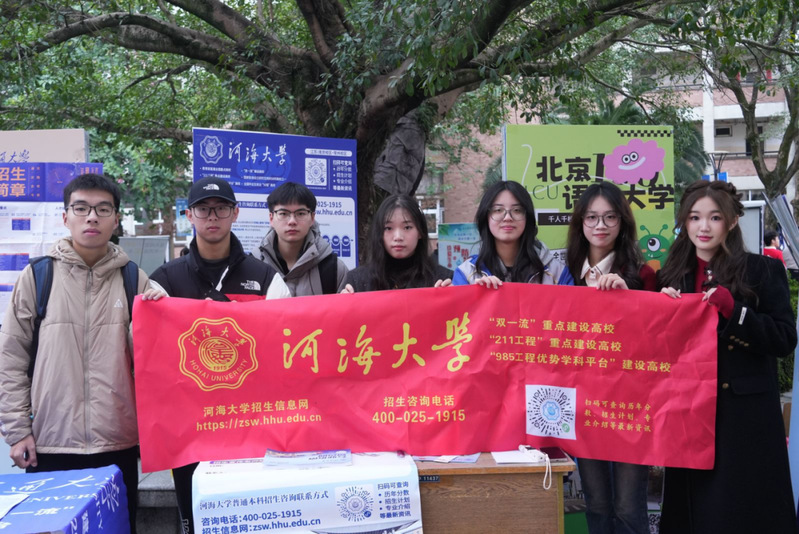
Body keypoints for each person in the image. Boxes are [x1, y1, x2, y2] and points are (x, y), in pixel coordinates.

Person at [0, 173, 165, 533]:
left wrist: (159, 315)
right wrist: (18, 430)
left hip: (117, 441)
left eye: (103, 209)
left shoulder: (134, 279)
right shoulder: (37, 277)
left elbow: (154, 362)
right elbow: (10, 359)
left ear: (116, 219)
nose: (92, 217)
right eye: (81, 208)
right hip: (50, 441)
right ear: (65, 217)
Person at [149, 176, 289, 534]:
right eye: (203, 209)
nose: (212, 216)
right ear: (189, 215)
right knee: (195, 521)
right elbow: (149, 355)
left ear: (235, 213)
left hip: (251, 425)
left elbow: (285, 348)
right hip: (189, 429)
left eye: (222, 208)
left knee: (254, 520)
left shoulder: (266, 279)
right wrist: (150, 314)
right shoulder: (164, 282)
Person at [657, 180, 797, 534]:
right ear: (684, 222)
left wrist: (736, 312)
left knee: (740, 510)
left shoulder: (763, 270)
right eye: (694, 217)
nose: (703, 227)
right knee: (693, 511)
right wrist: (657, 311)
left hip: (744, 416)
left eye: (715, 217)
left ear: (733, 221)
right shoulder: (669, 276)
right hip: (688, 412)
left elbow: (784, 339)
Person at [565, 181, 654, 534]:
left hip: (631, 405)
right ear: (580, 223)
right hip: (583, 404)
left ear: (622, 222)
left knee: (629, 508)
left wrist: (629, 298)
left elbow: (656, 338)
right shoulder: (566, 274)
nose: (600, 225)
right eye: (591, 217)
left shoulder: (644, 274)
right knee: (598, 505)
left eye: (610, 217)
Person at [452, 181, 573, 287]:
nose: (507, 218)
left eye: (517, 210)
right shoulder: (467, 274)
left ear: (528, 217)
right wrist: (480, 296)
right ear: (486, 217)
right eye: (498, 210)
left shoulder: (557, 272)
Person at [342, 194, 452, 292]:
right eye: (388, 228)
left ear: (420, 232)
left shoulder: (441, 279)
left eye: (407, 227)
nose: (398, 237)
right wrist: (344, 304)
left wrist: (453, 297)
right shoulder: (357, 281)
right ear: (379, 233)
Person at [258, 181, 348, 296]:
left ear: (312, 218)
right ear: (271, 218)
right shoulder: (254, 266)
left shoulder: (334, 269)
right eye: (283, 214)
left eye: (300, 213)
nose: (292, 221)